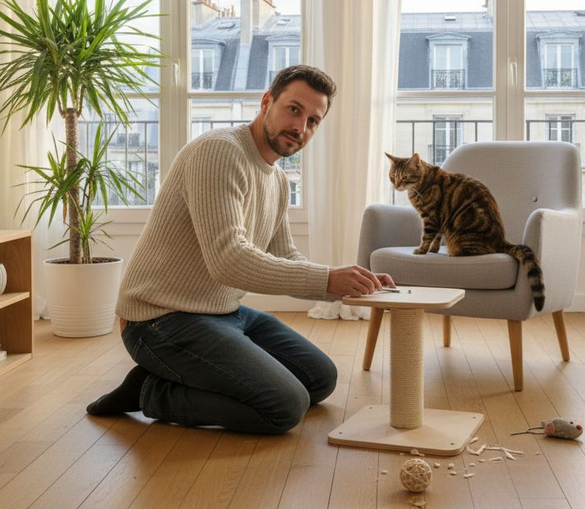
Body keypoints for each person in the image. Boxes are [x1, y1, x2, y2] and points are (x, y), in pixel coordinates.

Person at [86, 64, 395, 434]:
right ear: (267, 102)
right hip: (159, 320)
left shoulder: (277, 179)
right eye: (293, 109)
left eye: (313, 121)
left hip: (221, 311)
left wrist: (354, 284)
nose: (300, 127)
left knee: (319, 379)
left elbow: (285, 258)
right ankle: (151, 391)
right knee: (285, 406)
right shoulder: (220, 152)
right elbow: (229, 261)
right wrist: (329, 279)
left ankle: (186, 376)